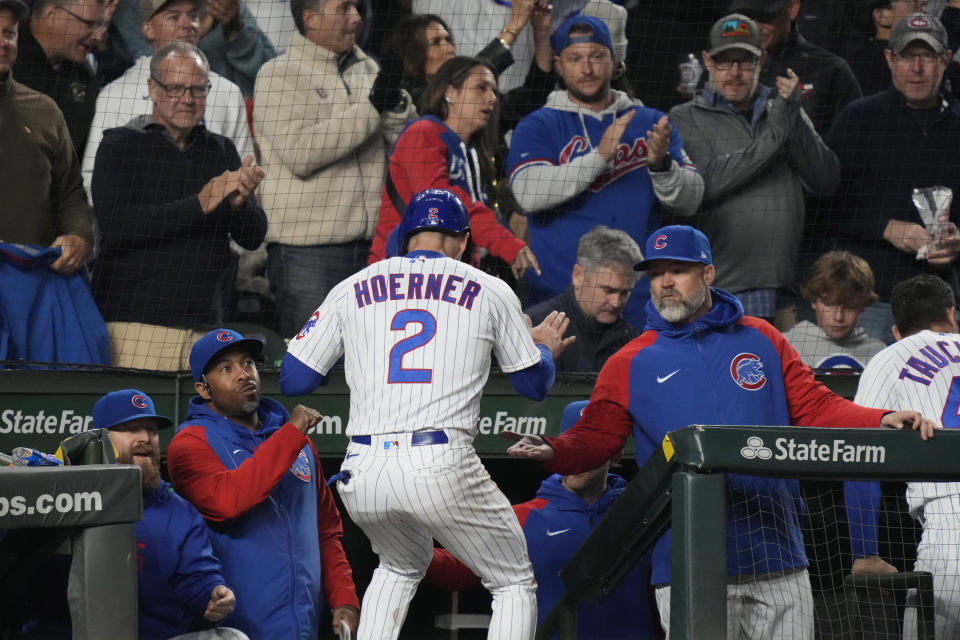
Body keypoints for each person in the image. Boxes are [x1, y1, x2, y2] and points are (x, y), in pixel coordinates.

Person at [504, 224, 936, 639]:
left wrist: (878, 418)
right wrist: (553, 450)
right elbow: (597, 438)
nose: (665, 282)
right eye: (656, 274)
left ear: (707, 273)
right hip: (689, 564)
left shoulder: (762, 338)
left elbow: (815, 405)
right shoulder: (629, 362)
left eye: (678, 270)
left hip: (778, 553)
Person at [279, 188, 574, 640]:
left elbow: (295, 379)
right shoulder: (490, 288)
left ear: (406, 238)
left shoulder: (354, 285)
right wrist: (542, 350)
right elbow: (534, 386)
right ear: (462, 241)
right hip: (439, 461)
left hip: (363, 471)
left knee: (398, 566)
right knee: (513, 581)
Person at [507, 13, 703, 328]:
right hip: (557, 302)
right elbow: (528, 193)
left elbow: (691, 199)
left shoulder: (650, 120)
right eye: (575, 58)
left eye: (597, 56)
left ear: (613, 60)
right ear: (559, 64)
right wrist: (599, 157)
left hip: (641, 301)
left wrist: (662, 165)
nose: (587, 68)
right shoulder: (538, 124)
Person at [166, 328, 360, 640]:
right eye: (226, 368)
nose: (243, 374)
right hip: (232, 629)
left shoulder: (296, 443)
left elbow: (326, 530)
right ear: (204, 389)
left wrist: (344, 598)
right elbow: (227, 502)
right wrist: (290, 435)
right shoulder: (190, 443)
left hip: (304, 628)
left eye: (247, 364)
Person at [90, 41, 267, 370]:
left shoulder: (222, 150)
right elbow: (118, 227)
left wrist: (242, 206)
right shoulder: (119, 146)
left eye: (197, 89)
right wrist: (201, 202)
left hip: (206, 327)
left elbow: (252, 238)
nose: (187, 99)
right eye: (175, 88)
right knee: (139, 421)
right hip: (136, 326)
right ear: (152, 89)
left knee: (200, 423)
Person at [425, 399, 658, 640]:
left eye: (587, 450)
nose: (577, 462)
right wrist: (404, 548)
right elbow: (460, 568)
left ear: (615, 455)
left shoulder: (643, 516)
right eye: (570, 448)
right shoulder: (524, 518)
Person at [253, 0, 416, 338]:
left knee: (372, 362)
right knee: (313, 366)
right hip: (308, 254)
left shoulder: (368, 69)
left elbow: (407, 147)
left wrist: (397, 102)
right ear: (310, 18)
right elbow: (303, 152)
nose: (356, 17)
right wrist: (372, 107)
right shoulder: (277, 75)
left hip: (374, 247)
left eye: (357, 8)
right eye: (344, 8)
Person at [668, 13, 839, 327]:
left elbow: (826, 179)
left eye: (745, 62)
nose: (735, 73)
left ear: (762, 60)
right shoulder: (684, 118)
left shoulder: (783, 107)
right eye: (724, 62)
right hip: (725, 287)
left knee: (789, 375)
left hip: (791, 286)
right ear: (707, 60)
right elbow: (710, 181)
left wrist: (793, 117)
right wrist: (778, 133)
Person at [825, 13, 960, 344]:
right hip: (873, 301)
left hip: (947, 304)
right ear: (889, 58)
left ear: (945, 59)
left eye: (927, 56)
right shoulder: (857, 119)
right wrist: (886, 228)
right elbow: (822, 210)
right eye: (906, 56)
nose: (916, 68)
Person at [0, 0, 106, 364]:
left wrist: (79, 235)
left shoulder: (44, 110)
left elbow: (71, 194)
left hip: (32, 292)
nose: (3, 42)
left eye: (9, 33)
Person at [368, 56, 538, 281]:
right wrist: (507, 244)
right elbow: (444, 207)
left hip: (446, 276)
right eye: (481, 88)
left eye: (494, 91)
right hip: (400, 275)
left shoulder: (471, 151)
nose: (492, 98)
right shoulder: (423, 133)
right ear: (450, 93)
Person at [855, 274, 960, 639]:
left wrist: (864, 551)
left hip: (951, 522)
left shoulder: (892, 355)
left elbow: (860, 451)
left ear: (897, 330)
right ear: (951, 314)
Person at [94, 389, 247, 640]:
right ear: (99, 438)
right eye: (132, 428)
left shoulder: (178, 512)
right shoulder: (68, 500)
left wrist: (214, 595)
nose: (146, 438)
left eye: (152, 430)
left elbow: (198, 580)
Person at [81, 0, 251, 195]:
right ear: (148, 30)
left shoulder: (227, 92)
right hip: (141, 221)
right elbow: (92, 180)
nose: (188, 24)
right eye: (174, 17)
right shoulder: (116, 95)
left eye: (194, 15)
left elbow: (244, 174)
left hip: (212, 222)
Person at [731, 0, 862, 135]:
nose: (754, 27)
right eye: (746, 16)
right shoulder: (720, 69)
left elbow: (853, 140)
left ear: (792, 8)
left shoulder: (830, 69)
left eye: (765, 16)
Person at [525, 225, 641, 372]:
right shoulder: (534, 328)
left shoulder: (632, 340)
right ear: (578, 276)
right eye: (607, 290)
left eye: (625, 292)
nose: (616, 302)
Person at [13, 0, 104, 153]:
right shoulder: (8, 58)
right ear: (52, 14)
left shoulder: (84, 76)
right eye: (89, 24)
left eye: (100, 26)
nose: (98, 36)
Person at [783, 250, 887, 369]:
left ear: (863, 306)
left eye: (850, 306)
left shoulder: (878, 353)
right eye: (829, 304)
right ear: (813, 300)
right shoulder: (787, 345)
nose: (838, 317)